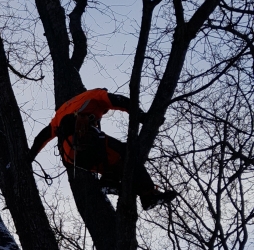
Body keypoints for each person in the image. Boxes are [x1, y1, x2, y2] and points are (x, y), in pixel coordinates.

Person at [27, 88, 177, 210]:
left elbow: (42, 137)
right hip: (86, 140)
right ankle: (148, 194)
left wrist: (29, 157)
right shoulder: (97, 95)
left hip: (71, 156)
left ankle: (111, 181)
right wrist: (142, 117)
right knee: (126, 153)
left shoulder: (61, 112)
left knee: (114, 162)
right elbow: (120, 101)